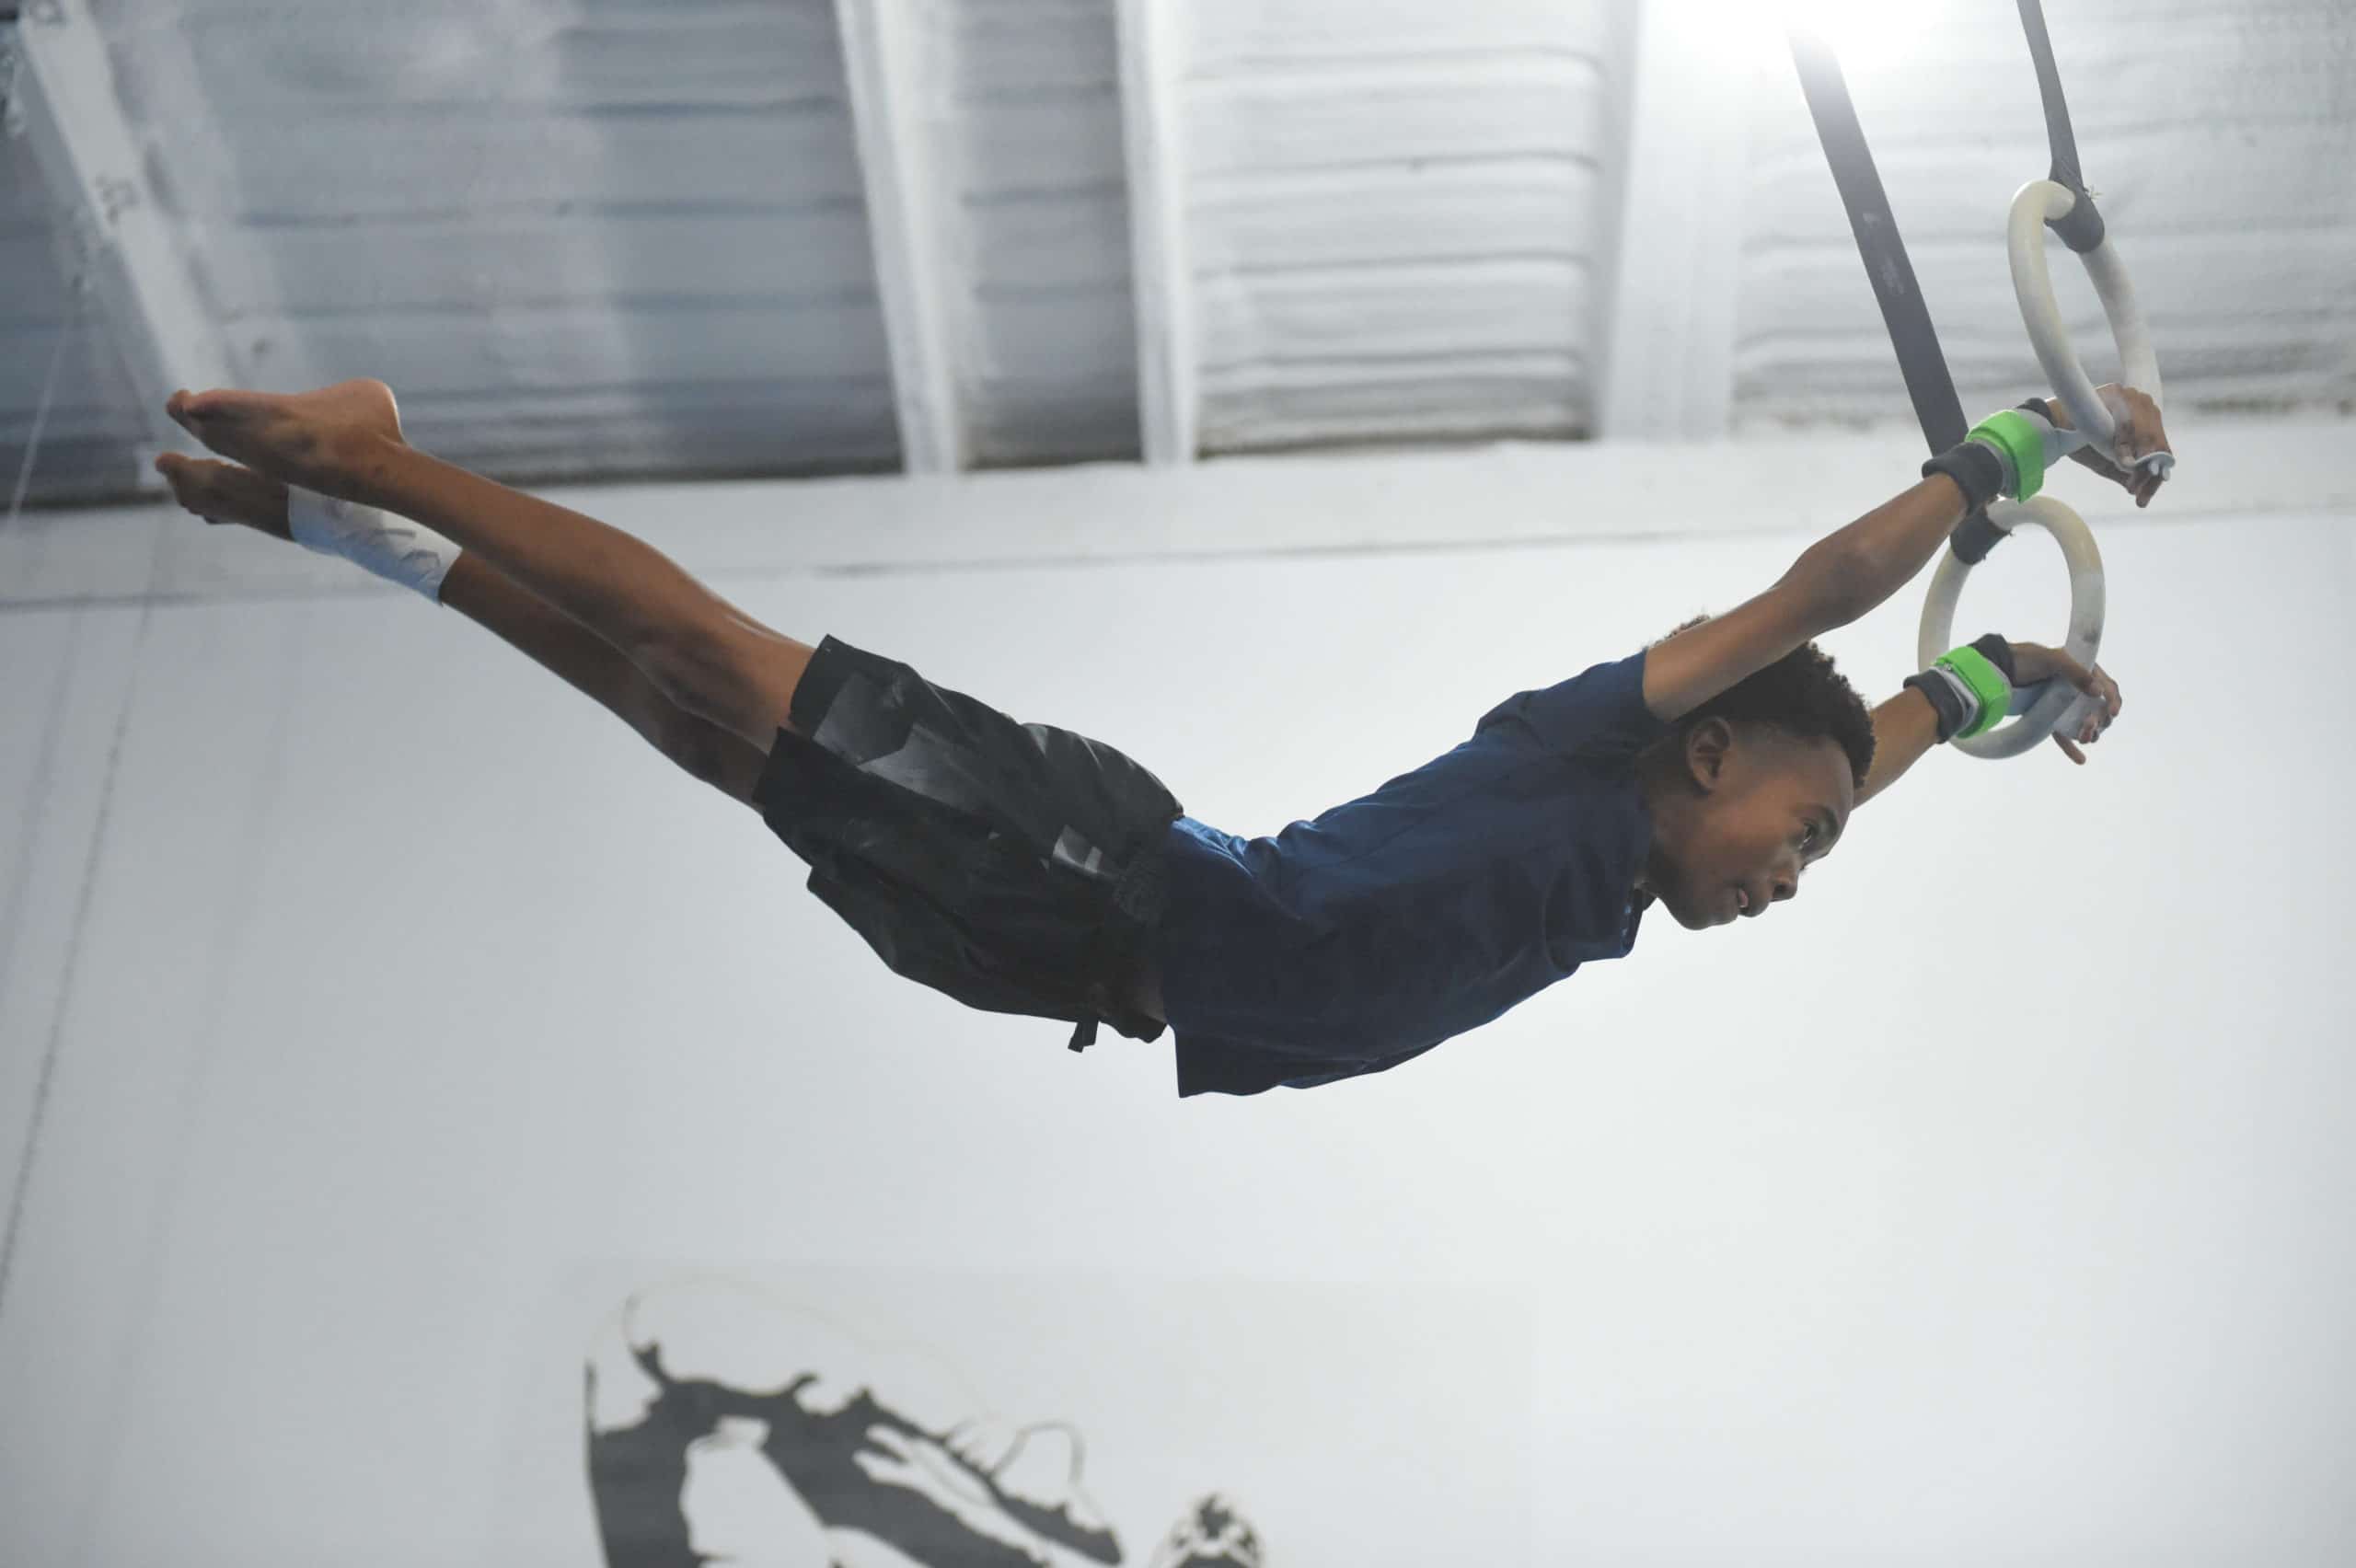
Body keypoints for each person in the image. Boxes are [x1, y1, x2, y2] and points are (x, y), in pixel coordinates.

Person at [155, 379, 2148, 1098]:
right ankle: (375, 445)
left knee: (687, 736)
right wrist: (2005, 457)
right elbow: (1812, 615)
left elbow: (1854, 731)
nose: (1800, 874)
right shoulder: (1578, 760)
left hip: (1057, 973)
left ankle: (350, 525)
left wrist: (2004, 689)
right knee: (709, 660)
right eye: (1796, 835)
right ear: (1707, 754)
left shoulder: (1632, 878)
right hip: (1106, 868)